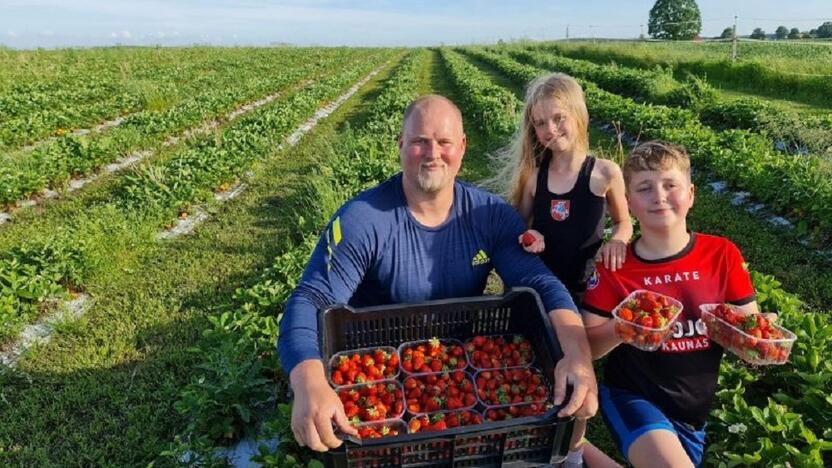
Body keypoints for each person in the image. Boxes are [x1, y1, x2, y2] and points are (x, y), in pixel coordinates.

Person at [277, 95, 598, 452]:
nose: (432, 153)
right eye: (419, 142)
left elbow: (540, 283)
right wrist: (308, 382)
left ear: (462, 147)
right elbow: (312, 298)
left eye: (444, 142)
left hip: (461, 363)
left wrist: (577, 354)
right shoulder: (362, 220)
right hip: (378, 367)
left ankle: (578, 452)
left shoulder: (488, 215)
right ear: (400, 145)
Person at [581, 140, 760, 467]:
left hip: (693, 410)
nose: (659, 196)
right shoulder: (616, 266)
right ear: (629, 203)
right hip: (634, 395)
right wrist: (624, 327)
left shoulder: (722, 255)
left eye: (670, 185)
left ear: (690, 194)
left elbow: (749, 330)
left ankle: (574, 450)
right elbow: (587, 345)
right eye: (645, 188)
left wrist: (756, 342)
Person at [499, 72, 631, 467]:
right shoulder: (536, 178)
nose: (549, 130)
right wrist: (531, 239)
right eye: (539, 123)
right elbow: (521, 231)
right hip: (542, 287)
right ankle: (542, 440)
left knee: (578, 370)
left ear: (578, 114)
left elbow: (623, 223)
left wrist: (618, 240)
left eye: (557, 118)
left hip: (585, 291)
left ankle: (570, 449)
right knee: (541, 360)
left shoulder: (604, 173)